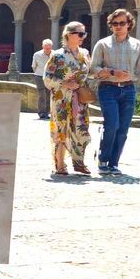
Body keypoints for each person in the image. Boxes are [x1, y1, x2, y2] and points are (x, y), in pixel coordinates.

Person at [89, 8, 140, 175]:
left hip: (129, 89)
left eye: (122, 23)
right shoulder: (102, 44)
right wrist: (112, 72)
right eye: (114, 23)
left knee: (123, 128)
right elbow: (93, 69)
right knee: (112, 124)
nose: (118, 26)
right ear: (111, 25)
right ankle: (103, 159)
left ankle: (114, 163)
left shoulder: (137, 45)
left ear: (129, 24)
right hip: (107, 89)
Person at [42, 22, 93, 176]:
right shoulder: (57, 55)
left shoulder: (85, 54)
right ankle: (59, 164)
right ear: (69, 35)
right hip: (61, 98)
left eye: (84, 34)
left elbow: (90, 73)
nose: (83, 37)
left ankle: (79, 162)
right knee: (61, 129)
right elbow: (47, 78)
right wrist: (65, 83)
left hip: (80, 98)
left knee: (80, 128)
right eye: (80, 34)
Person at [31, 39, 54, 119]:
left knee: (49, 94)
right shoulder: (37, 54)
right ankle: (41, 113)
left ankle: (47, 112)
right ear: (43, 47)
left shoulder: (55, 54)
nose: (48, 50)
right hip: (39, 76)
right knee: (42, 94)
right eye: (46, 48)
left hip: (50, 77)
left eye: (49, 48)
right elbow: (34, 66)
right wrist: (39, 73)